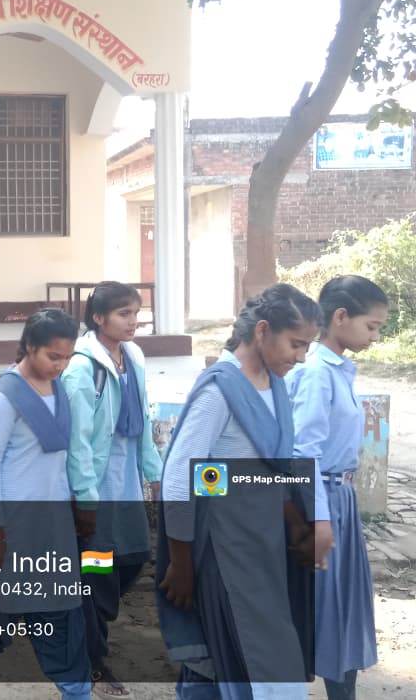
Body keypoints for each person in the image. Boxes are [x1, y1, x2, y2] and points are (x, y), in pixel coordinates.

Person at [157, 283, 321, 699]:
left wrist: (295, 523)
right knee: (241, 657)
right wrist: (181, 564)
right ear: (262, 330)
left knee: (235, 658)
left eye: (307, 347)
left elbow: (264, 468)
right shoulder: (220, 391)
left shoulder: (273, 384)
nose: (301, 357)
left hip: (264, 547)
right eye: (296, 344)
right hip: (226, 552)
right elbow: (180, 476)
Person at [0, 308, 92, 700]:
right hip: (9, 526)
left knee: (61, 610)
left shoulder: (59, 388)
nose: (60, 365)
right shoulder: (5, 396)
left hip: (52, 524)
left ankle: (75, 689)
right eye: (53, 356)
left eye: (67, 357)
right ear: (30, 346)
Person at [285, 276, 387, 700]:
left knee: (342, 613)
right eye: (371, 326)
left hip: (340, 498)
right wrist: (319, 518)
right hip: (321, 499)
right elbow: (303, 451)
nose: (375, 336)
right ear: (341, 316)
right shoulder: (316, 374)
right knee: (324, 610)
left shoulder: (339, 369)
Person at [62, 282, 162, 698]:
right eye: (124, 314)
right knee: (97, 569)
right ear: (99, 318)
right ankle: (92, 659)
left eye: (136, 313)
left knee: (134, 557)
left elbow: (144, 422)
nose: (133, 322)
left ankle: (87, 621)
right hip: (96, 482)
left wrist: (154, 473)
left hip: (127, 481)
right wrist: (85, 499)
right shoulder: (82, 368)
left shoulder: (133, 356)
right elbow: (78, 441)